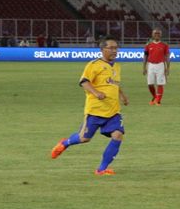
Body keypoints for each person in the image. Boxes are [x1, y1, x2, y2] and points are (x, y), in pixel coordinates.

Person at [50, 36, 129, 176]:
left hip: (113, 110)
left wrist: (122, 95)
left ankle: (101, 169)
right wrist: (96, 92)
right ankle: (65, 143)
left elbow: (114, 83)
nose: (114, 51)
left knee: (117, 135)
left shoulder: (116, 66)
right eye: (111, 48)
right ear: (102, 49)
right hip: (95, 110)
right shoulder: (94, 65)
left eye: (116, 48)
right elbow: (84, 82)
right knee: (84, 138)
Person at [143, 28, 170, 105]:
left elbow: (167, 57)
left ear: (161, 35)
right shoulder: (148, 44)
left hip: (160, 65)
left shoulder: (164, 45)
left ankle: (158, 101)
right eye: (155, 33)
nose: (157, 35)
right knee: (150, 84)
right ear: (152, 35)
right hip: (151, 65)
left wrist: (168, 68)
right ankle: (155, 97)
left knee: (160, 83)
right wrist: (144, 67)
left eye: (158, 33)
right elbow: (145, 56)